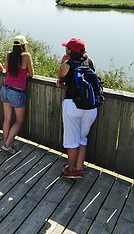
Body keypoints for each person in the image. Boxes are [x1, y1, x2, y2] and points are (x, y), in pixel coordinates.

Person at [56, 37, 97, 179]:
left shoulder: (67, 64)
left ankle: (70, 169)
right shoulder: (89, 62)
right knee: (82, 138)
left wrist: (64, 59)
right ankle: (79, 169)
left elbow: (60, 76)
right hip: (91, 107)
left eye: (66, 48)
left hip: (73, 106)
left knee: (72, 142)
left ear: (69, 51)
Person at [1, 35, 34, 154]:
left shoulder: (9, 55)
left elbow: (7, 69)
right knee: (19, 121)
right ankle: (7, 144)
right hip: (17, 92)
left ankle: (6, 143)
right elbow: (31, 74)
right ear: (23, 45)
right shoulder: (26, 56)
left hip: (6, 88)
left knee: (7, 119)